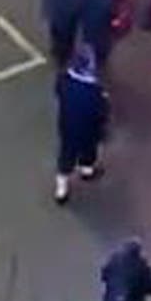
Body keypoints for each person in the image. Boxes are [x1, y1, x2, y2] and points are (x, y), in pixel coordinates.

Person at [54, 47, 109, 205]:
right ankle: (86, 169)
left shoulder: (63, 80)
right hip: (88, 130)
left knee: (67, 155)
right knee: (88, 150)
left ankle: (61, 189)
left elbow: (58, 92)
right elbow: (101, 113)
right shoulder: (94, 91)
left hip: (68, 127)